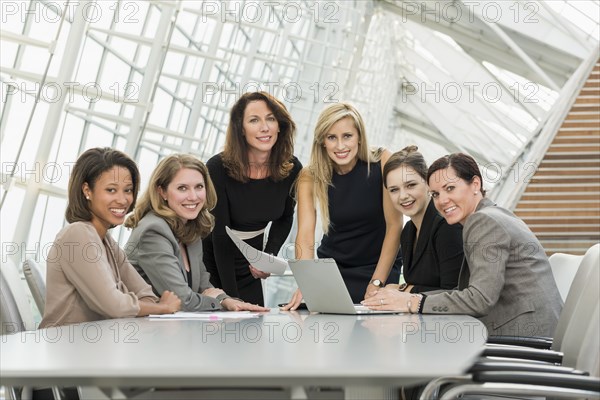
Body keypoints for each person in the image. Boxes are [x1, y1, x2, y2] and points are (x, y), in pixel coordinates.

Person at [363, 152, 563, 337]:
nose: (442, 200)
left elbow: (480, 299)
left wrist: (411, 301)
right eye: (436, 194)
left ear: (475, 184)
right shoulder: (491, 215)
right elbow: (464, 291)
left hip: (526, 339)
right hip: (526, 332)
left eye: (450, 188)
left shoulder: (484, 222)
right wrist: (402, 295)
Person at [40, 148, 181, 328]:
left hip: (95, 346)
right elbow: (114, 306)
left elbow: (145, 295)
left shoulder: (105, 240)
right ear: (87, 190)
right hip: (65, 348)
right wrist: (162, 307)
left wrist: (133, 302)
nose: (123, 200)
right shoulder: (77, 235)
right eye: (111, 190)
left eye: (128, 190)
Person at [283, 102, 403, 309]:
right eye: (332, 138)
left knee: (374, 334)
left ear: (359, 137)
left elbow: (395, 226)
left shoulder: (382, 161)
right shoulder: (309, 176)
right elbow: (304, 235)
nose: (340, 146)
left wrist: (376, 282)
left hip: (379, 267)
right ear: (322, 142)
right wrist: (307, 282)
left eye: (347, 136)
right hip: (332, 270)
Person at [125, 154, 268, 312]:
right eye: (182, 188)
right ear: (162, 192)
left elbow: (203, 284)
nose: (193, 197)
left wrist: (225, 299)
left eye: (199, 187)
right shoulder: (153, 231)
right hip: (141, 331)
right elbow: (182, 300)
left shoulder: (190, 227)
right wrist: (217, 302)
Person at [202, 91, 302, 306]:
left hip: (251, 262)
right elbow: (220, 235)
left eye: (270, 119)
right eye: (254, 120)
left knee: (253, 327)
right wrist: (230, 297)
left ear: (280, 125)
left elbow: (285, 217)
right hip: (213, 258)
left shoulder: (292, 169)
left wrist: (267, 258)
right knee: (218, 325)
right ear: (241, 128)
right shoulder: (217, 167)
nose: (264, 127)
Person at [382, 145, 463, 293]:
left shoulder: (448, 226)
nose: (403, 196)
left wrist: (403, 290)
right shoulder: (407, 232)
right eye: (394, 190)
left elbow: (455, 294)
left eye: (410, 185)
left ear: (428, 184)